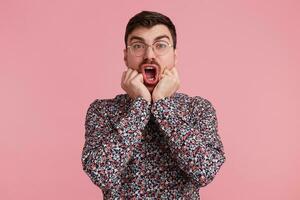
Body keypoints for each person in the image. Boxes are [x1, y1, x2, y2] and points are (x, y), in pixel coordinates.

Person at [81, 10, 226, 199]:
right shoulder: (102, 111)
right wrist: (140, 106)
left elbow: (205, 171)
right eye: (138, 46)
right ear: (126, 56)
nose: (149, 55)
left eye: (161, 45)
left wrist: (162, 105)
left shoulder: (198, 109)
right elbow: (101, 173)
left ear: (175, 55)